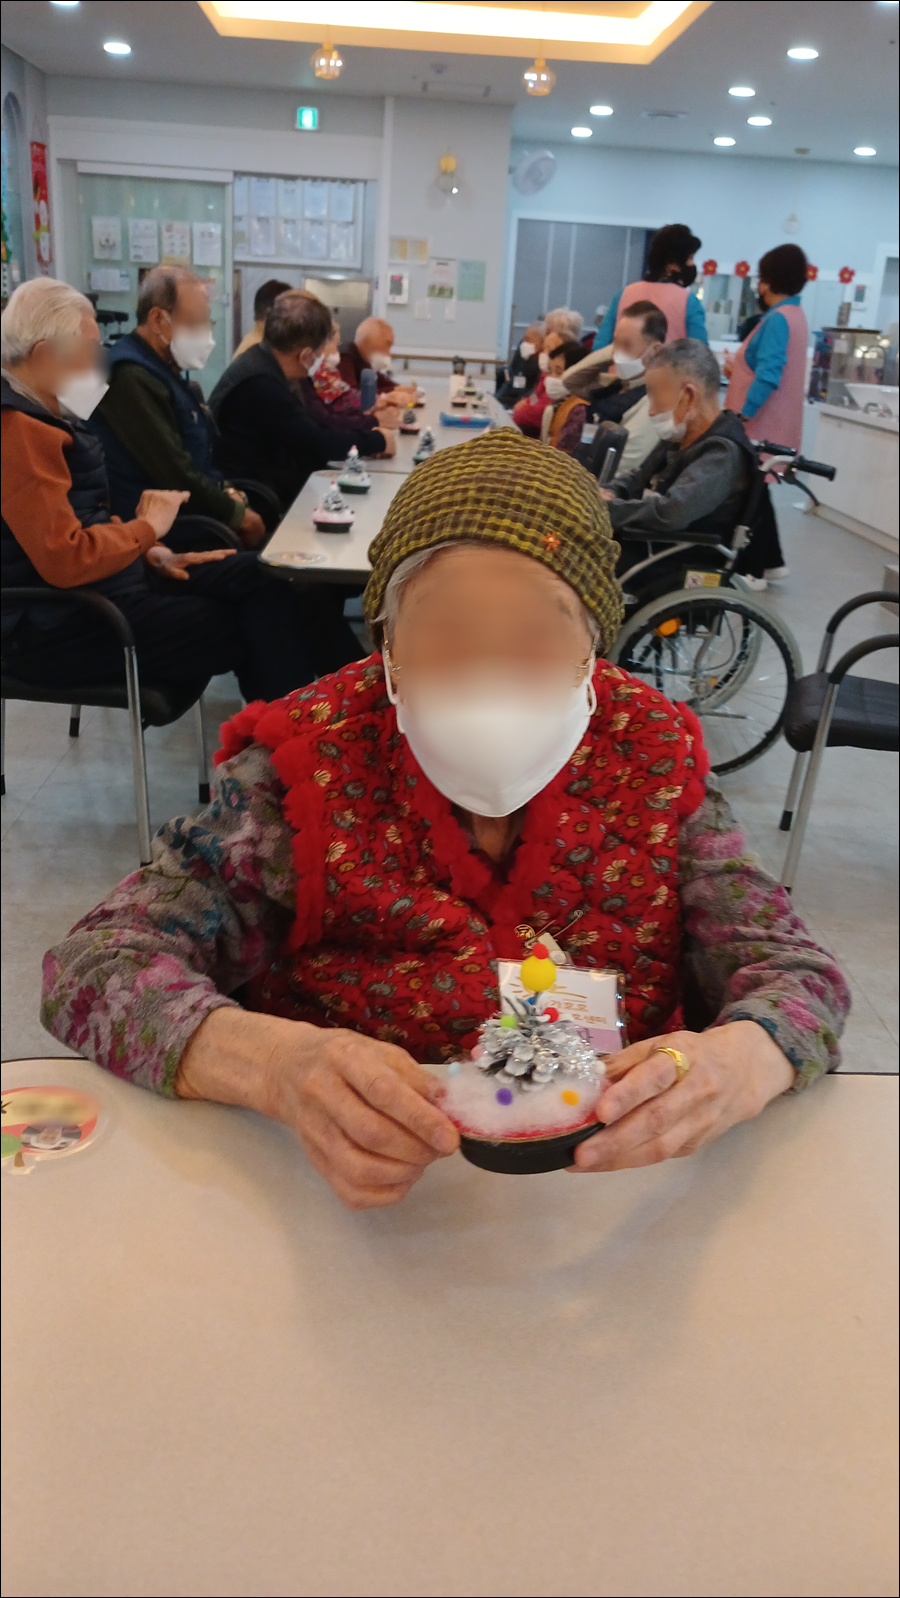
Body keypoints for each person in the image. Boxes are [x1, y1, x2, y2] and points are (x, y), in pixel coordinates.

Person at [41, 430, 848, 1213]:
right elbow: (95, 965)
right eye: (446, 629)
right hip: (341, 1205)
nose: (489, 669)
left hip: (606, 1205)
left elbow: (794, 973)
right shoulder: (308, 762)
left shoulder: (652, 754)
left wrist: (739, 1062)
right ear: (387, 645)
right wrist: (276, 1066)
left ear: (594, 646)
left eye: (538, 631)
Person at [0, 278, 333, 702]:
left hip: (103, 588)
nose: (101, 363)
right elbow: (64, 558)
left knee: (261, 577)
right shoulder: (19, 431)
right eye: (91, 350)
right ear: (45, 355)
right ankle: (288, 729)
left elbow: (83, 518)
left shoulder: (48, 417)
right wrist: (146, 530)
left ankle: (288, 726)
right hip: (57, 625)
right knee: (238, 621)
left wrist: (149, 551)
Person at [89, 267, 268, 549]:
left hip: (193, 515)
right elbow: (175, 473)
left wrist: (227, 491)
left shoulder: (165, 369)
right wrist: (237, 515)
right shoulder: (131, 377)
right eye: (195, 323)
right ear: (158, 319)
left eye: (208, 323)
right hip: (167, 533)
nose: (205, 335)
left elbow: (197, 454)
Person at [208, 290, 394, 512]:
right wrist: (377, 440)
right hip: (257, 499)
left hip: (272, 481)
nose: (322, 359)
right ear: (305, 355)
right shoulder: (262, 385)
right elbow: (317, 442)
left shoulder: (265, 363)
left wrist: (368, 435)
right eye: (320, 352)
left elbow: (314, 426)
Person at [601, 338, 763, 564]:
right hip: (649, 546)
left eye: (655, 396)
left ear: (688, 396)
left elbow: (671, 512)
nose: (651, 411)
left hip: (677, 558)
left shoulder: (722, 453)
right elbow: (638, 478)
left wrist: (605, 508)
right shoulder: (680, 436)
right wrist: (606, 493)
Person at [558, 301, 668, 475]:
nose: (618, 354)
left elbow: (620, 467)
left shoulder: (653, 400)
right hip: (580, 472)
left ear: (654, 350)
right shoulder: (616, 384)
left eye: (627, 344)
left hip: (595, 484)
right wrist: (614, 349)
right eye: (616, 342)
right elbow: (570, 380)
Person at [725, 243, 810, 458]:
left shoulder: (778, 319)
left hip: (758, 427)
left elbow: (768, 376)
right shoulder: (796, 314)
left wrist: (743, 416)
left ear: (765, 283)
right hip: (779, 425)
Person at [593, 224, 708, 350]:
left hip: (622, 362)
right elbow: (699, 352)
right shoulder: (688, 302)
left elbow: (600, 346)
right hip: (668, 363)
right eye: (690, 258)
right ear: (673, 263)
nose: (692, 264)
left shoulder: (623, 294)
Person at [337, 316, 413, 403]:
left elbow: (378, 380)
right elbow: (353, 396)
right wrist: (391, 391)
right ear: (365, 342)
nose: (387, 354)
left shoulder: (363, 358)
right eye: (383, 348)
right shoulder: (345, 359)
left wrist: (399, 388)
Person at [539, 340, 592, 452]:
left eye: (559, 372)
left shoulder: (578, 410)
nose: (551, 378)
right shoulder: (560, 404)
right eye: (549, 371)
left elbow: (564, 454)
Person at [511, 329, 564, 437]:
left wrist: (520, 413)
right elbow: (535, 397)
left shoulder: (555, 383)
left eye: (548, 349)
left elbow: (540, 411)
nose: (543, 353)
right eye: (544, 348)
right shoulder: (544, 375)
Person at [233, 278, 292, 360]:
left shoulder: (259, 346)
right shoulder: (257, 354)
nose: (294, 320)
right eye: (290, 312)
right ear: (272, 313)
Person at [496, 323, 544, 409]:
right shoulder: (521, 356)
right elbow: (511, 378)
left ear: (540, 344)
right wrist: (496, 400)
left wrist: (520, 404)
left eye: (528, 339)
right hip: (514, 395)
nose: (524, 342)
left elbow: (535, 391)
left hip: (526, 402)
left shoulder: (542, 365)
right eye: (524, 339)